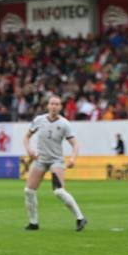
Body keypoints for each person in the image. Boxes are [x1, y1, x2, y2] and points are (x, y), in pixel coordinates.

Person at [23, 95, 87, 232]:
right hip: (41, 160)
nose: (54, 106)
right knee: (29, 191)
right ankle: (33, 223)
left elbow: (75, 143)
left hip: (56, 161)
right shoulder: (39, 120)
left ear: (60, 107)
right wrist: (29, 150)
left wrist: (73, 159)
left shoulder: (64, 124)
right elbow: (26, 136)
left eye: (57, 104)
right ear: (47, 106)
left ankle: (80, 218)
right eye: (52, 104)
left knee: (58, 191)